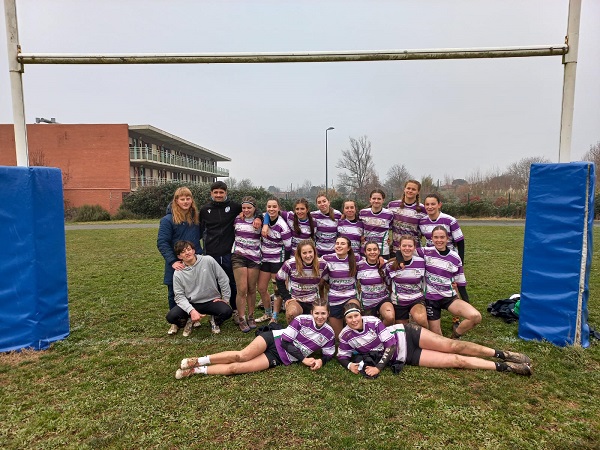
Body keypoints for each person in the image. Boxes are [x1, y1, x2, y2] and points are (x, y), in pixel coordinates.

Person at [337, 303, 532, 378]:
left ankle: (502, 354)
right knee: (457, 361)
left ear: (361, 315)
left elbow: (390, 345)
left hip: (407, 335)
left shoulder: (372, 321)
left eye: (356, 316)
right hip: (408, 356)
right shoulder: (345, 335)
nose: (354, 320)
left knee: (453, 345)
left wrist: (379, 367)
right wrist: (349, 367)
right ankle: (505, 367)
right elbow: (343, 356)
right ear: (345, 320)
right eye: (349, 318)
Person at [175, 298, 335, 378]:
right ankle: (198, 360)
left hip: (279, 357)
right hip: (274, 339)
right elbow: (286, 342)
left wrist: (322, 360)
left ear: (328, 314)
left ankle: (195, 370)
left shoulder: (329, 333)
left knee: (235, 369)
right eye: (317, 313)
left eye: (323, 313)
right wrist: (303, 359)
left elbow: (328, 353)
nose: (319, 317)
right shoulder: (301, 320)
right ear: (312, 313)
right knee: (241, 355)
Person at [199, 181, 262, 327]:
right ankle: (215, 314)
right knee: (214, 284)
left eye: (222, 192)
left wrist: (258, 217)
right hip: (211, 253)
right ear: (211, 193)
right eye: (216, 192)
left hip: (229, 253)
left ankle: (235, 311)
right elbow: (200, 229)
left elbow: (252, 209)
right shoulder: (205, 209)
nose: (219, 195)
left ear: (226, 193)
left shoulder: (234, 207)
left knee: (233, 284)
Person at [419, 226, 481, 338]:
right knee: (438, 337)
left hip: (449, 297)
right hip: (431, 299)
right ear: (431, 239)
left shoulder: (455, 257)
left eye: (442, 237)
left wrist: (466, 301)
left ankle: (455, 335)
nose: (439, 240)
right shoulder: (425, 252)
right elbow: (405, 251)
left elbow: (461, 282)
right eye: (436, 237)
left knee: (476, 316)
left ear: (447, 238)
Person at [157, 186, 202, 335]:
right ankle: (175, 322)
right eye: (182, 199)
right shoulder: (168, 220)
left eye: (188, 198)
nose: (185, 201)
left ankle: (193, 317)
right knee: (173, 292)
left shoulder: (196, 218)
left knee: (195, 290)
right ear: (176, 201)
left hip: (194, 261)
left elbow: (201, 236)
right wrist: (172, 261)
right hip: (176, 263)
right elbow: (162, 242)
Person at [166, 240, 233, 336]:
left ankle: (214, 320)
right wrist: (191, 310)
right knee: (171, 317)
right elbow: (179, 296)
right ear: (179, 257)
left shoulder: (208, 260)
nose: (187, 253)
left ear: (193, 250)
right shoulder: (178, 273)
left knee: (226, 311)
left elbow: (223, 279)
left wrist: (225, 299)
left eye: (189, 249)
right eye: (183, 252)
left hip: (211, 301)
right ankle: (189, 320)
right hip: (192, 303)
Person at [256, 198, 292, 323]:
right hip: (265, 258)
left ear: (278, 208)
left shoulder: (283, 226)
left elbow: (288, 247)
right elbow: (258, 214)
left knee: (277, 289)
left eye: (274, 206)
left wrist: (285, 265)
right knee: (261, 288)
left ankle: (275, 316)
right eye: (269, 206)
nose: (271, 209)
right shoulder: (264, 217)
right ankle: (267, 313)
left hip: (278, 259)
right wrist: (265, 224)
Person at [276, 239, 328, 323]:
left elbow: (328, 281)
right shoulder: (290, 264)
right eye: (304, 253)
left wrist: (325, 300)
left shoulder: (322, 264)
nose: (308, 256)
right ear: (299, 254)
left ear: (314, 252)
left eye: (310, 252)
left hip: (313, 300)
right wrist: (286, 297)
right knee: (291, 314)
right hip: (296, 300)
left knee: (314, 325)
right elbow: (279, 279)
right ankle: (293, 333)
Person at [231, 196, 262, 333]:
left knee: (251, 288)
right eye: (244, 208)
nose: (246, 210)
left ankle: (251, 316)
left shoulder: (260, 220)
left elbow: (271, 215)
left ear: (254, 208)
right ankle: (242, 318)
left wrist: (260, 217)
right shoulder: (237, 218)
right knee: (242, 289)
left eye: (249, 207)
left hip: (254, 257)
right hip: (239, 256)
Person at [385, 235, 428, 328]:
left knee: (421, 319)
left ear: (414, 247)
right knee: (402, 330)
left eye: (410, 246)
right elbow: (387, 282)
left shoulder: (421, 262)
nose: (407, 248)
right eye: (404, 246)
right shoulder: (390, 265)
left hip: (416, 299)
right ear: (399, 247)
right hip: (399, 301)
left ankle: (424, 340)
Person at [321, 236, 361, 338]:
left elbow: (373, 260)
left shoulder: (357, 259)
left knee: (354, 323)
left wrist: (381, 259)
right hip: (334, 299)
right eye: (337, 243)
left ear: (348, 248)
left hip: (350, 297)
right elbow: (322, 279)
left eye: (342, 244)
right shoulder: (326, 259)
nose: (339, 246)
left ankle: (358, 348)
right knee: (339, 337)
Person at [356, 241, 395, 326]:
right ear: (365, 252)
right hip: (367, 302)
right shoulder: (359, 265)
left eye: (375, 249)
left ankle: (382, 331)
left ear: (379, 251)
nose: (372, 252)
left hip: (383, 299)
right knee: (369, 327)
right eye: (369, 250)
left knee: (390, 317)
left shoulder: (386, 264)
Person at [418, 193, 464, 263]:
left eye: (433, 204)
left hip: (449, 259)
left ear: (439, 205)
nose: (430, 207)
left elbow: (460, 242)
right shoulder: (422, 222)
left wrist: (460, 261)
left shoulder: (450, 220)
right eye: (427, 204)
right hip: (431, 259)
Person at [387, 180, 426, 253]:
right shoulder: (392, 206)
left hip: (414, 251)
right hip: (396, 250)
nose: (410, 191)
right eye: (408, 188)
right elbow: (384, 224)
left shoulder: (423, 209)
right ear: (404, 189)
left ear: (418, 192)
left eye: (413, 189)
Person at [359, 189, 394, 258]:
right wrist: (361, 236)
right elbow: (358, 226)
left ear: (383, 200)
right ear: (370, 199)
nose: (376, 201)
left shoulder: (389, 214)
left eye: (379, 199)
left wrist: (388, 238)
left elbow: (391, 227)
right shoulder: (362, 213)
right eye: (374, 198)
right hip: (366, 249)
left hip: (383, 250)